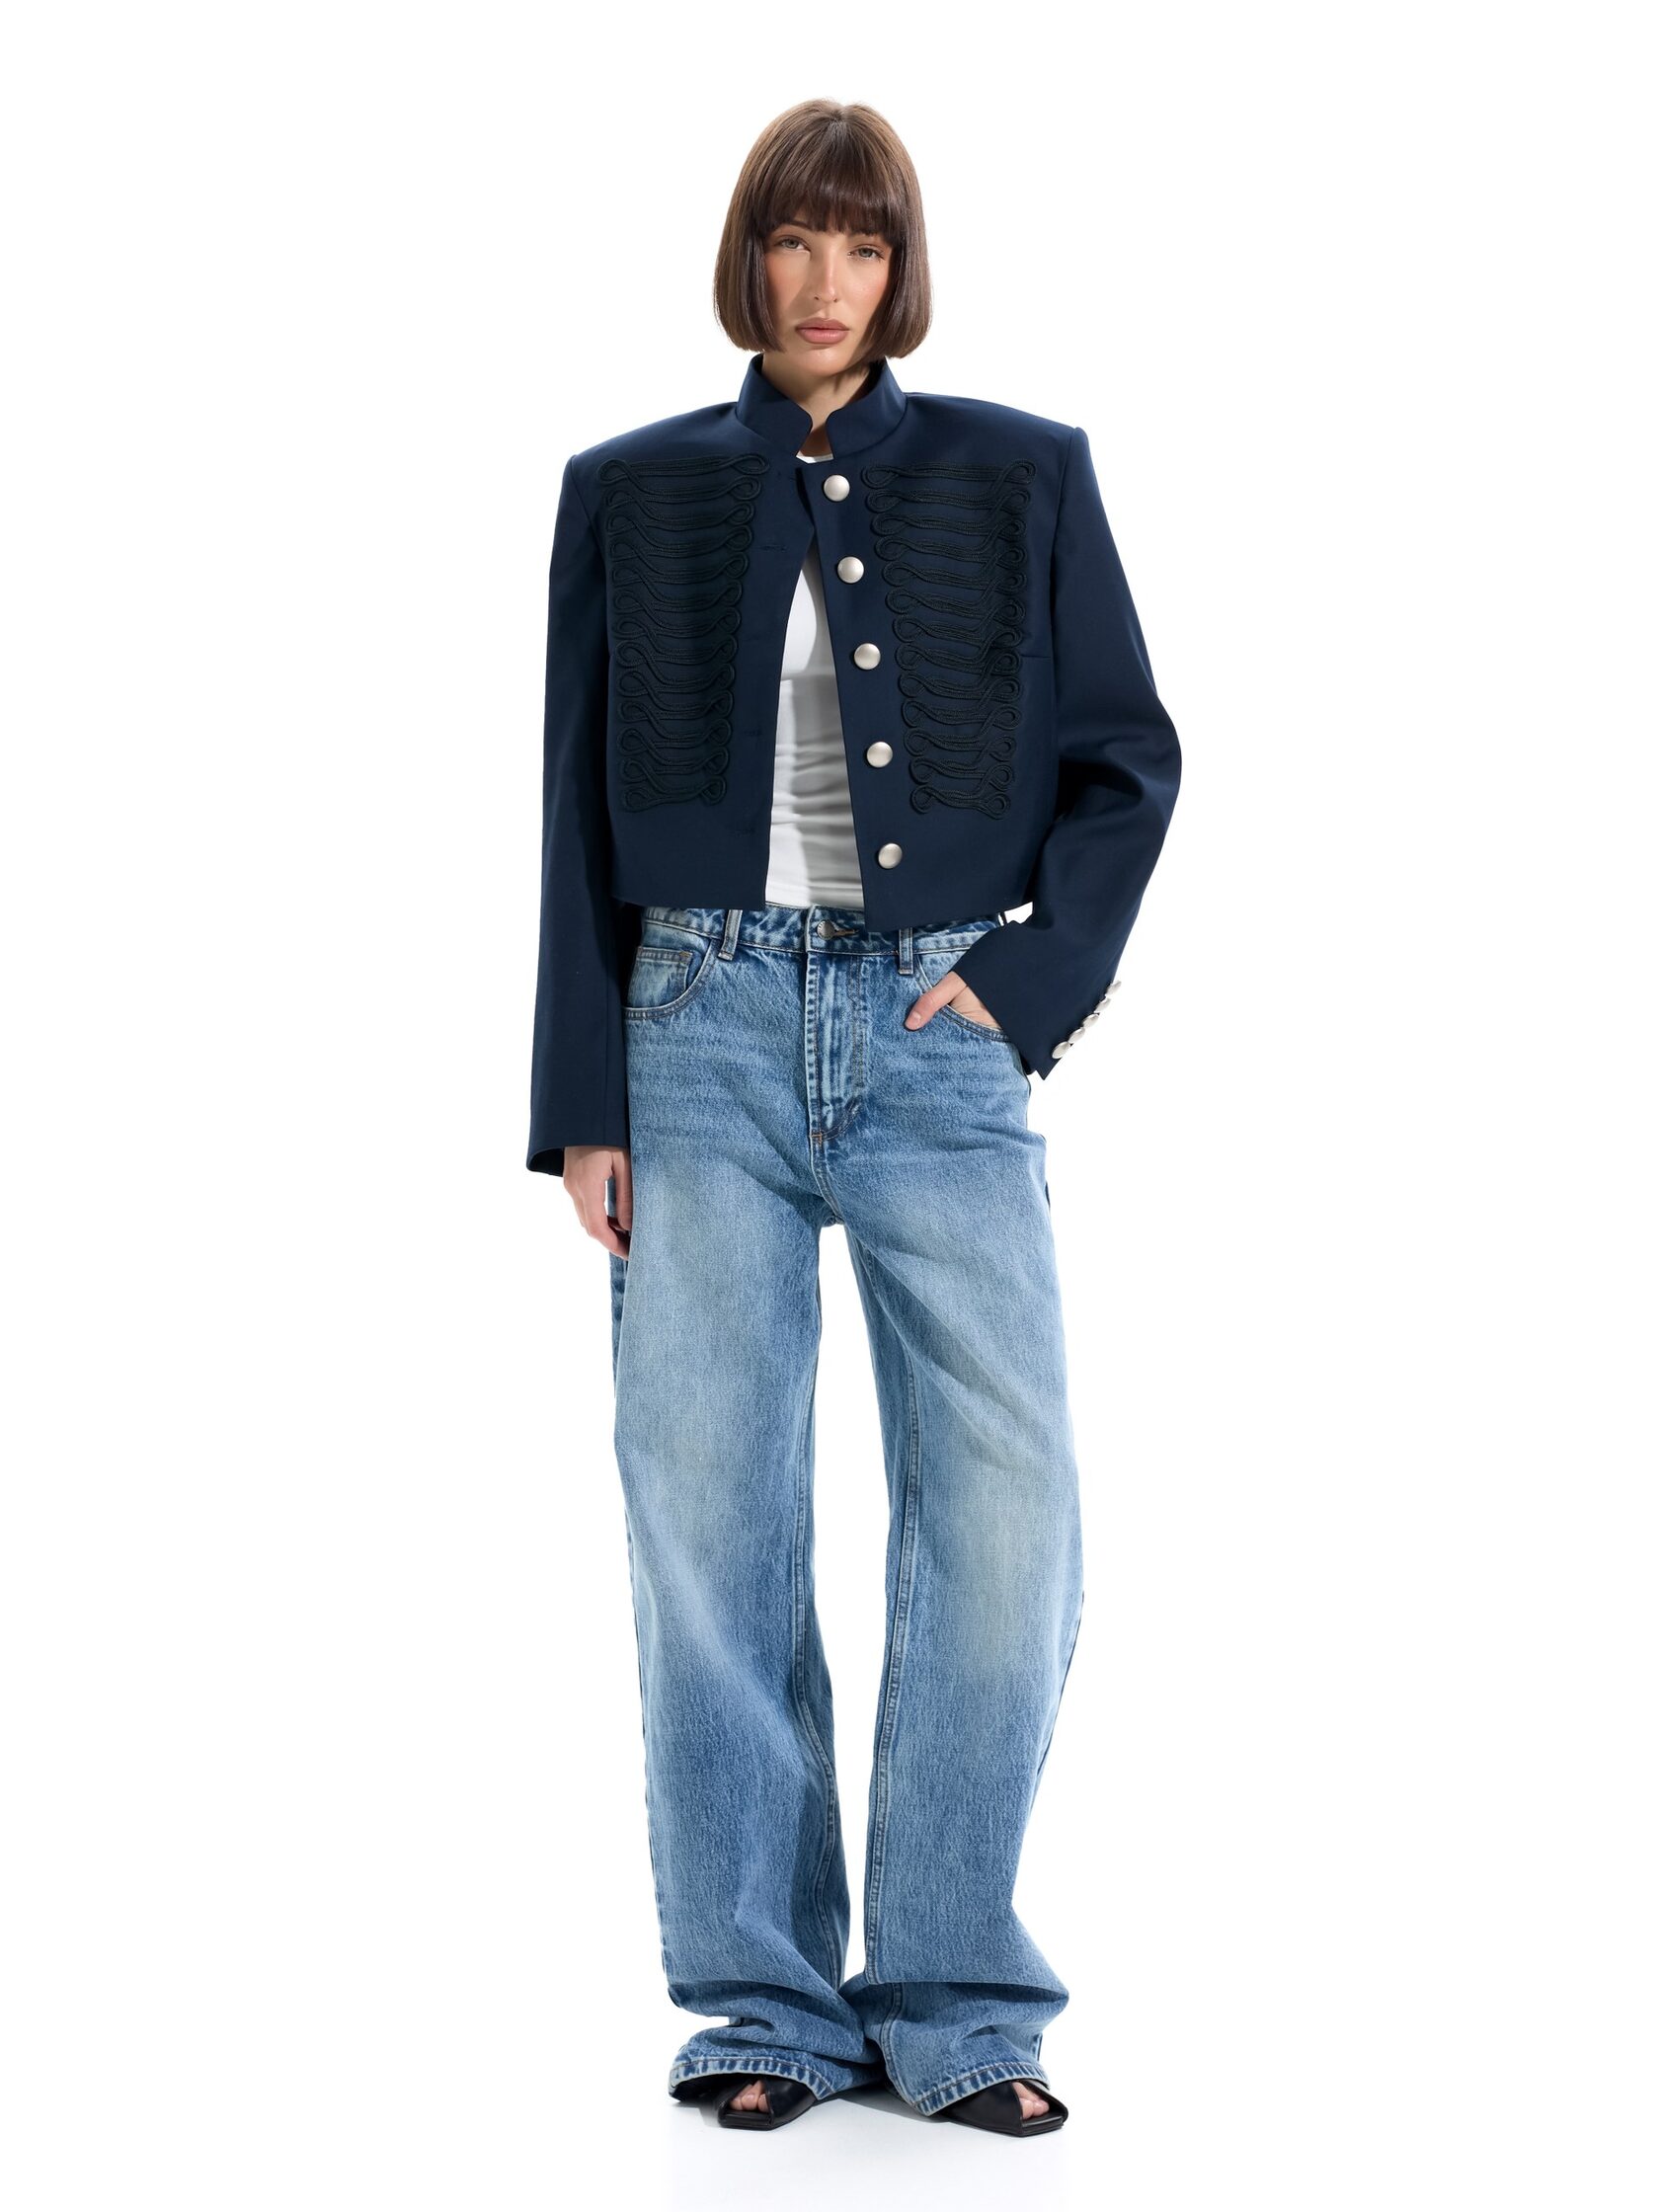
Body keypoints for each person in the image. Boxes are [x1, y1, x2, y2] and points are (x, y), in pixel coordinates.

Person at [527, 99, 1181, 2138]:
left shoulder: (1023, 471)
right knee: (708, 1514)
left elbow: (1129, 762)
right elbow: (571, 816)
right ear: (748, 261)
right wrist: (581, 1100)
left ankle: (958, 1992)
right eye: (794, 244)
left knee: (1007, 1514)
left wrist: (1024, 991)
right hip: (695, 1028)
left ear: (903, 270)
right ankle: (763, 1999)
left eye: (863, 246)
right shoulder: (627, 491)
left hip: (934, 1028)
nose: (826, 284)